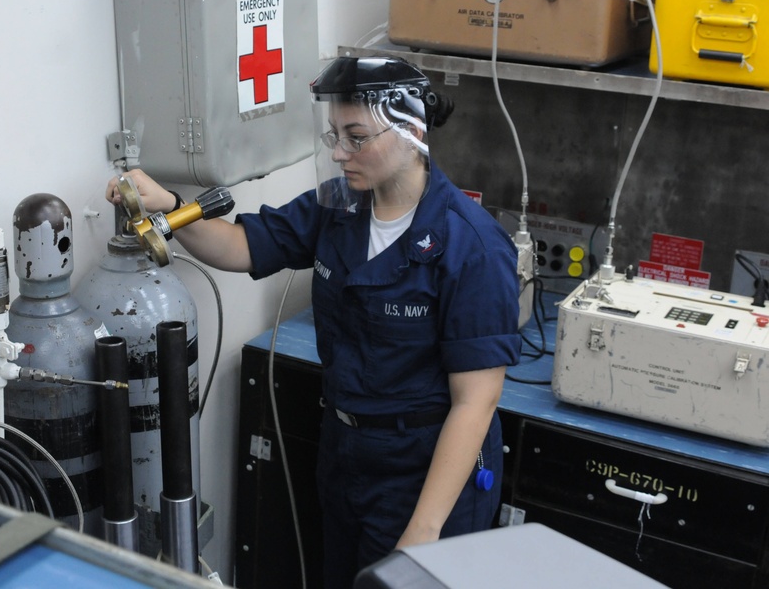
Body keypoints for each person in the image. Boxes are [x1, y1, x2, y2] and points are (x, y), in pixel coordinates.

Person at [107, 56, 521, 588]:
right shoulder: (340, 206)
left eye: (357, 138)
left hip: (424, 471)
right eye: (334, 136)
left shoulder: (472, 246)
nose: (340, 153)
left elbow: (475, 402)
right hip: (346, 454)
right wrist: (168, 205)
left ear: (413, 131)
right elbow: (239, 245)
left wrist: (424, 528)